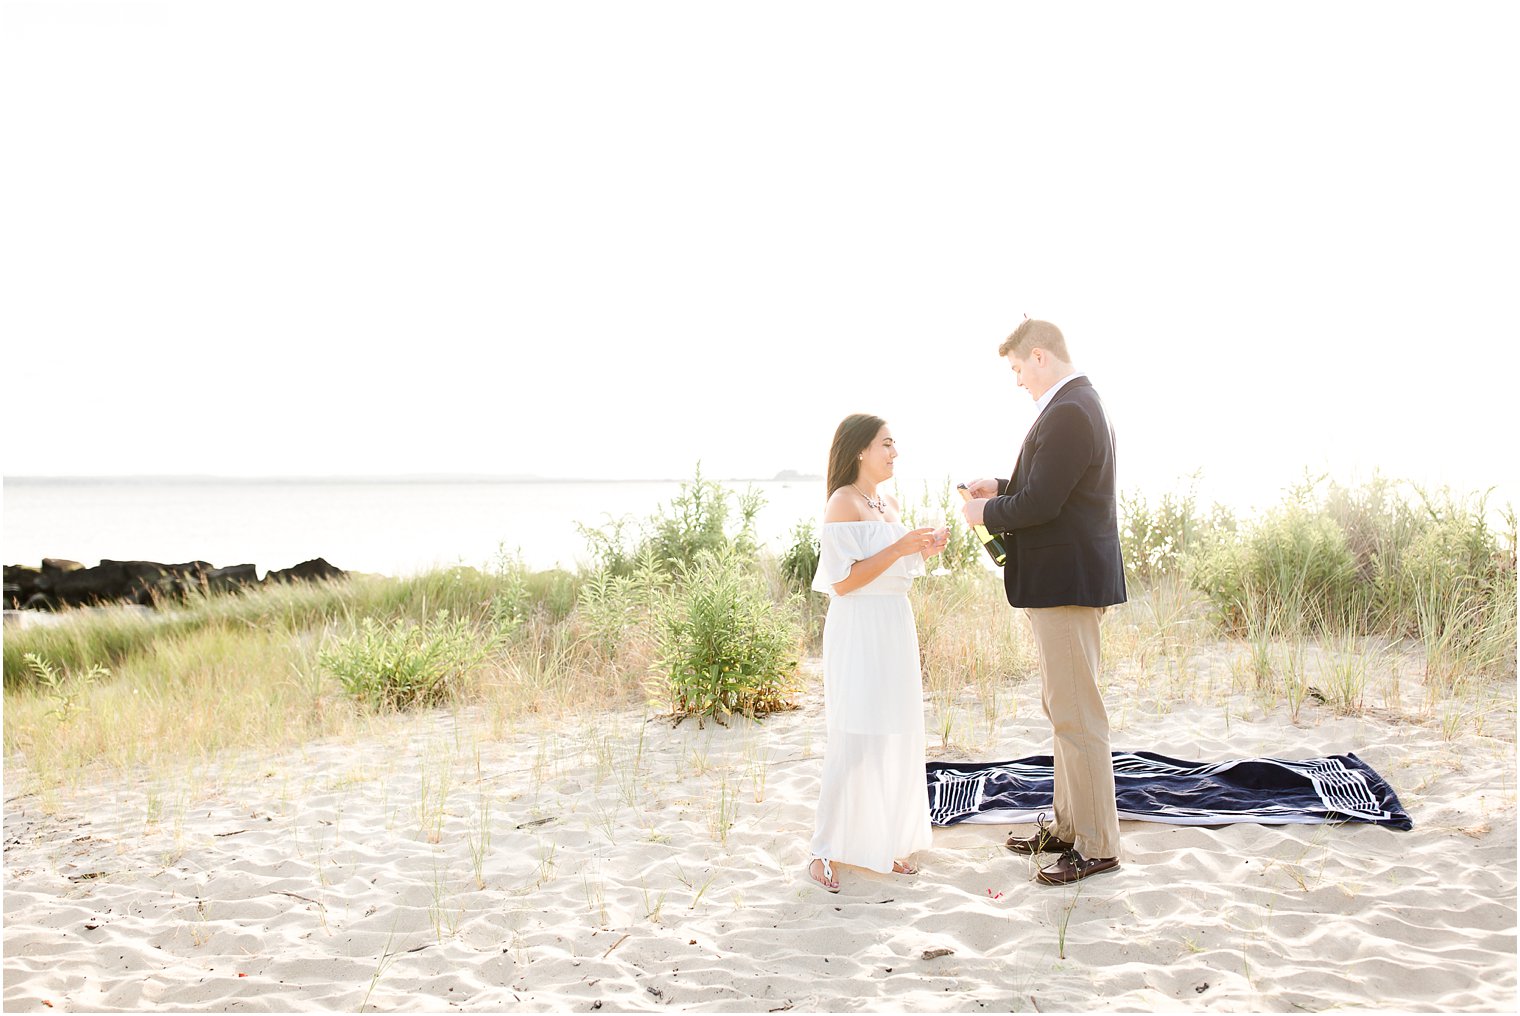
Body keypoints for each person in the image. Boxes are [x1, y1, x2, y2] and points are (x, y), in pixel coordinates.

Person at [961, 319, 1127, 886]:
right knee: (1064, 710)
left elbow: (1044, 504)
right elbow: (1046, 489)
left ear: (1039, 357)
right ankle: (1065, 827)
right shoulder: (1073, 406)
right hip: (1061, 582)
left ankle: (1099, 844)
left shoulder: (1073, 410)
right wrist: (999, 487)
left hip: (1067, 584)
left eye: (1015, 370)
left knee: (1079, 716)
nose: (1016, 382)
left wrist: (987, 513)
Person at [807, 413, 949, 892]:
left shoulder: (886, 501)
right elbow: (843, 582)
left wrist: (925, 548)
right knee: (854, 736)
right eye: (886, 444)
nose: (894, 452)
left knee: (893, 732)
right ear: (860, 450)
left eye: (894, 444)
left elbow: (898, 565)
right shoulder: (843, 503)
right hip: (859, 626)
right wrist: (898, 547)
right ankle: (822, 849)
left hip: (894, 622)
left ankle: (883, 843)